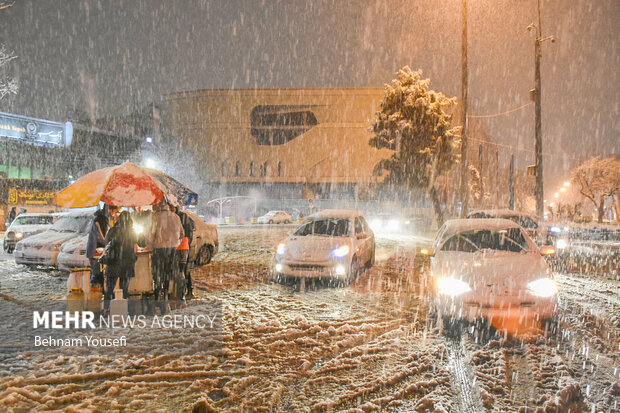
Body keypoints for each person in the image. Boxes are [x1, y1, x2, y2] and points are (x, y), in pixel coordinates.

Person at [100, 211, 137, 311]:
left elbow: (106, 244)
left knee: (109, 288)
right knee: (124, 289)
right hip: (127, 264)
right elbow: (142, 243)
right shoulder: (132, 232)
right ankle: (123, 310)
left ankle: (107, 309)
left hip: (113, 262)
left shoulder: (112, 230)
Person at [150, 201, 184, 305]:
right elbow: (182, 234)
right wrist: (175, 243)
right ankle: (167, 295)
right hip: (172, 249)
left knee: (158, 274)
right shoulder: (175, 217)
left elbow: (150, 235)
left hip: (158, 249)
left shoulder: (155, 217)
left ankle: (158, 297)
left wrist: (152, 246)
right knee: (169, 274)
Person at [86, 205, 118, 289]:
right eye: (115, 211)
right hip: (94, 251)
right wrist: (110, 244)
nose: (114, 214)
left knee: (99, 274)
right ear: (109, 210)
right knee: (96, 275)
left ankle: (98, 293)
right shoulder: (99, 219)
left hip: (100, 251)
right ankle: (95, 295)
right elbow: (101, 237)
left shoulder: (104, 219)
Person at [175, 206, 195, 299]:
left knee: (184, 270)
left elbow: (189, 231)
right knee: (180, 270)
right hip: (176, 247)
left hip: (183, 247)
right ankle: (181, 291)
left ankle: (188, 291)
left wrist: (186, 242)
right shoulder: (173, 216)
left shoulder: (182, 216)